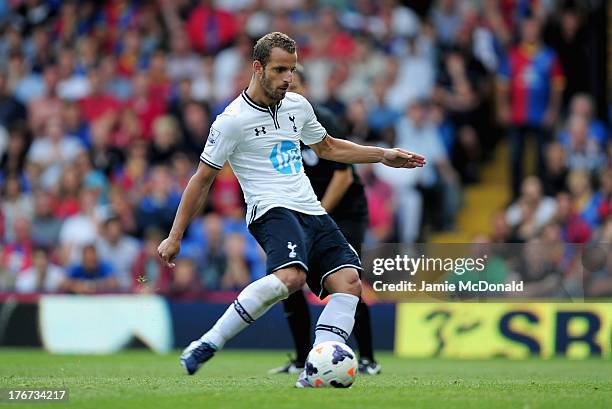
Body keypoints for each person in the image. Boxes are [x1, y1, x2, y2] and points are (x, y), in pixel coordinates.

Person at [157, 32, 425, 387]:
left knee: (349, 283)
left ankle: (317, 369)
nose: (288, 78)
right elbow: (201, 179)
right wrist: (175, 236)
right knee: (293, 277)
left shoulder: (298, 106)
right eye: (280, 69)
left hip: (311, 209)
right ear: (257, 68)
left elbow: (328, 147)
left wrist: (382, 154)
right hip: (270, 210)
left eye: (292, 70)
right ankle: (209, 342)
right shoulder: (232, 121)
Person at [267, 65, 380, 375]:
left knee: (347, 281)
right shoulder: (275, 126)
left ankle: (368, 358)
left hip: (344, 211)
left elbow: (343, 177)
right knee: (289, 280)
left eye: (294, 86)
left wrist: (317, 215)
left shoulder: (322, 119)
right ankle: (304, 358)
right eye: (283, 87)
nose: (288, 93)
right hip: (307, 211)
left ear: (305, 90)